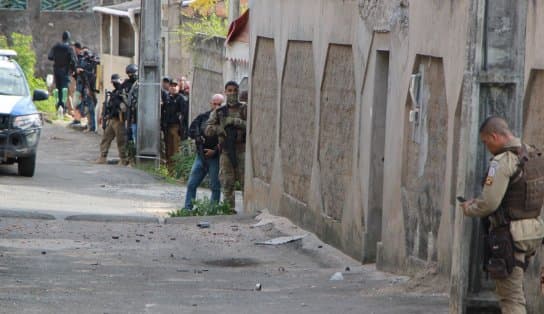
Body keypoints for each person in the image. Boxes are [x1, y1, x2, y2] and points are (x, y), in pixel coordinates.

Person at [460, 116, 544, 314]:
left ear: (494, 136)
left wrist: (469, 208)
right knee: (516, 290)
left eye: (485, 141)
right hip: (532, 232)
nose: (486, 145)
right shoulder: (533, 154)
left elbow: (489, 203)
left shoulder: (501, 162)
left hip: (510, 237)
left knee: (511, 298)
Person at [205, 81, 247, 211]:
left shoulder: (244, 108)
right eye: (229, 90)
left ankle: (248, 212)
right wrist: (219, 129)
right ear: (225, 92)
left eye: (235, 90)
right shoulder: (220, 111)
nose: (232, 93)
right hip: (226, 151)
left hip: (242, 150)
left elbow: (251, 125)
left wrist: (234, 121)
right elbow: (207, 129)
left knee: (245, 182)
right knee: (227, 183)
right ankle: (229, 211)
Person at [183, 94, 223, 210]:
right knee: (191, 184)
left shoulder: (224, 120)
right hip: (201, 156)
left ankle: (213, 210)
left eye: (219, 104)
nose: (216, 106)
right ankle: (187, 209)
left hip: (215, 157)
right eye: (214, 104)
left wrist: (215, 151)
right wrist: (197, 137)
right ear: (211, 103)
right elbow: (191, 130)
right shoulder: (203, 117)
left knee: (215, 186)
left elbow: (226, 141)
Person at [95, 74, 128, 166]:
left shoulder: (123, 92)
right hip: (112, 119)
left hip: (119, 119)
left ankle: (123, 159)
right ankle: (102, 157)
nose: (115, 84)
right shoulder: (114, 93)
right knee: (106, 138)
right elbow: (109, 105)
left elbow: (125, 106)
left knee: (121, 140)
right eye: (113, 82)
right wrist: (104, 115)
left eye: (116, 82)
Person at [48, 31, 77, 114]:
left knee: (58, 88)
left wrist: (57, 59)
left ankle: (58, 106)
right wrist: (73, 70)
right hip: (65, 71)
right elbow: (74, 61)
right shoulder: (69, 48)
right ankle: (63, 107)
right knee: (64, 89)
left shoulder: (56, 46)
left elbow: (50, 57)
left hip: (56, 70)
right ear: (68, 38)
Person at [161, 79, 189, 168]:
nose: (173, 87)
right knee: (168, 149)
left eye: (175, 86)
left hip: (177, 128)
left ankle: (177, 170)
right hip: (167, 128)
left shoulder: (181, 99)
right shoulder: (167, 99)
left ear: (179, 87)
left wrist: (182, 129)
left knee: (176, 150)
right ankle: (169, 170)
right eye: (171, 86)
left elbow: (184, 115)